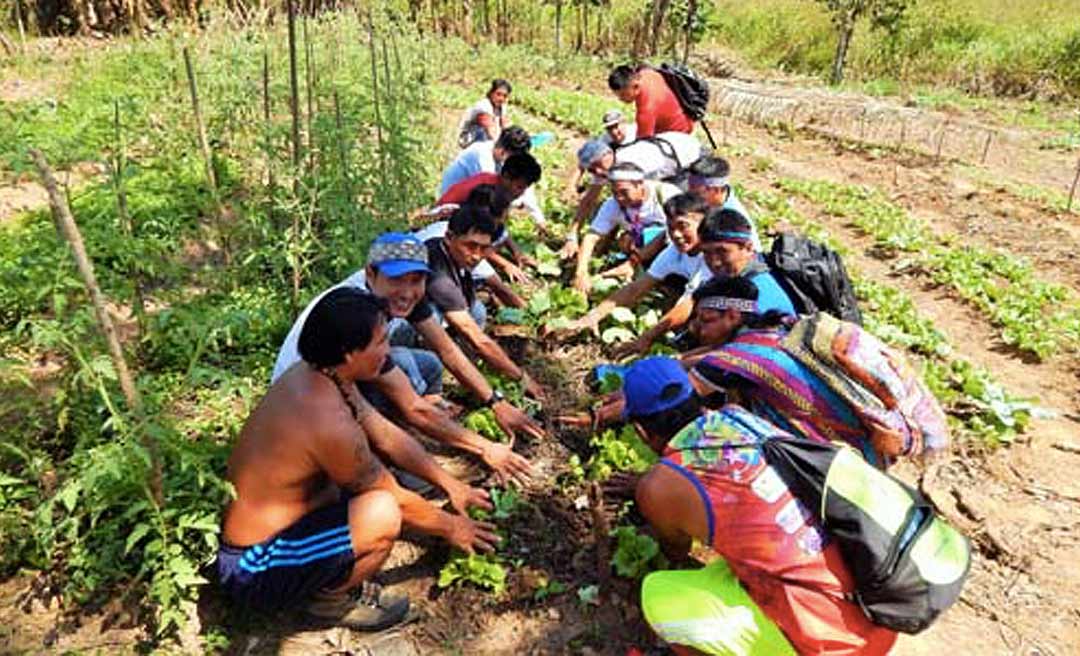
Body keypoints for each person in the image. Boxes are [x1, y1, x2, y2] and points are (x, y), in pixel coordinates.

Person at [220, 288, 500, 629]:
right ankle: (329, 601)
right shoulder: (327, 420)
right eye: (380, 341)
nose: (387, 350)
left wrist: (448, 482)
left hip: (293, 523)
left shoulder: (325, 373)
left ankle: (325, 566)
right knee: (383, 512)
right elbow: (393, 498)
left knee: (382, 491)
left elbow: (383, 432)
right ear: (348, 353)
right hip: (254, 565)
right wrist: (454, 527)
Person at [614, 356, 898, 655]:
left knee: (658, 593)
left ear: (642, 431)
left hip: (834, 645)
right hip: (881, 611)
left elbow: (676, 551)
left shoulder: (658, 487)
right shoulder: (738, 417)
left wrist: (650, 494)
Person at [273, 232, 538, 484]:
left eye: (416, 280)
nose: (408, 291)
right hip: (307, 406)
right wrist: (485, 448)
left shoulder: (394, 298)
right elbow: (414, 407)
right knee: (407, 474)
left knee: (427, 364)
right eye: (397, 279)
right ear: (370, 273)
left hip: (337, 382)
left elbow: (447, 350)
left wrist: (495, 401)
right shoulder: (358, 317)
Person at [560, 194, 710, 359]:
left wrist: (647, 336)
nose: (676, 235)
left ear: (704, 224)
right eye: (671, 227)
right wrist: (592, 317)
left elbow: (687, 305)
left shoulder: (712, 257)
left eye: (683, 226)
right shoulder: (673, 251)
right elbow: (636, 288)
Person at [421, 204, 546, 399]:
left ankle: (463, 359)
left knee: (476, 309)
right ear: (449, 238)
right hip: (383, 328)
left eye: (484, 248)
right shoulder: (436, 267)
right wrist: (520, 377)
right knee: (432, 318)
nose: (477, 255)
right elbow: (475, 336)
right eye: (470, 246)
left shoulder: (460, 257)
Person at [562, 132, 701, 259]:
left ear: (609, 154)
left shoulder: (634, 163)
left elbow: (644, 197)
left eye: (598, 164)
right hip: (664, 165)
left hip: (687, 159)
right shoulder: (604, 171)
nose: (598, 171)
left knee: (682, 216)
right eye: (591, 170)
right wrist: (572, 236)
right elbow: (588, 201)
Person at [571, 162, 682, 294]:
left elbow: (673, 233)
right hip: (641, 250)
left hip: (676, 248)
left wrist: (631, 263)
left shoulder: (665, 194)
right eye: (614, 192)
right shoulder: (613, 204)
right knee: (627, 240)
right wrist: (581, 272)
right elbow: (591, 237)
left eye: (624, 192)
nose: (619, 197)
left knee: (654, 235)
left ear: (639, 184)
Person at [438, 126, 545, 232]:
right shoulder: (481, 159)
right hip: (447, 215)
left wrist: (538, 218)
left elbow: (524, 188)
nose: (521, 192)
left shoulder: (503, 173)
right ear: (503, 152)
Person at [696, 208, 795, 316]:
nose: (715, 262)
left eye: (722, 251)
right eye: (706, 252)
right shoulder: (728, 281)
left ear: (748, 248)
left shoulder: (758, 300)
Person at [687, 155, 761, 251]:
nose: (689, 195)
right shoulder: (706, 204)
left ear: (717, 190)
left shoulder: (734, 221)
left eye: (697, 193)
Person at [608, 64, 694, 138]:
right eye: (618, 96)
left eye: (623, 95)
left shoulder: (646, 110)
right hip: (685, 120)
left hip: (677, 135)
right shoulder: (646, 73)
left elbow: (643, 143)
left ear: (635, 86)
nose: (620, 99)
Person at [570, 110, 638, 195]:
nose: (614, 132)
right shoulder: (604, 140)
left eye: (616, 126)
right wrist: (572, 185)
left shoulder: (637, 132)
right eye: (609, 128)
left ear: (624, 122)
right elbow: (584, 161)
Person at [458, 78, 511, 148]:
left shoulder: (502, 107)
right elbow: (491, 132)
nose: (501, 98)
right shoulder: (483, 107)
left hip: (489, 138)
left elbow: (506, 126)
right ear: (491, 93)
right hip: (470, 140)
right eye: (498, 94)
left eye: (504, 96)